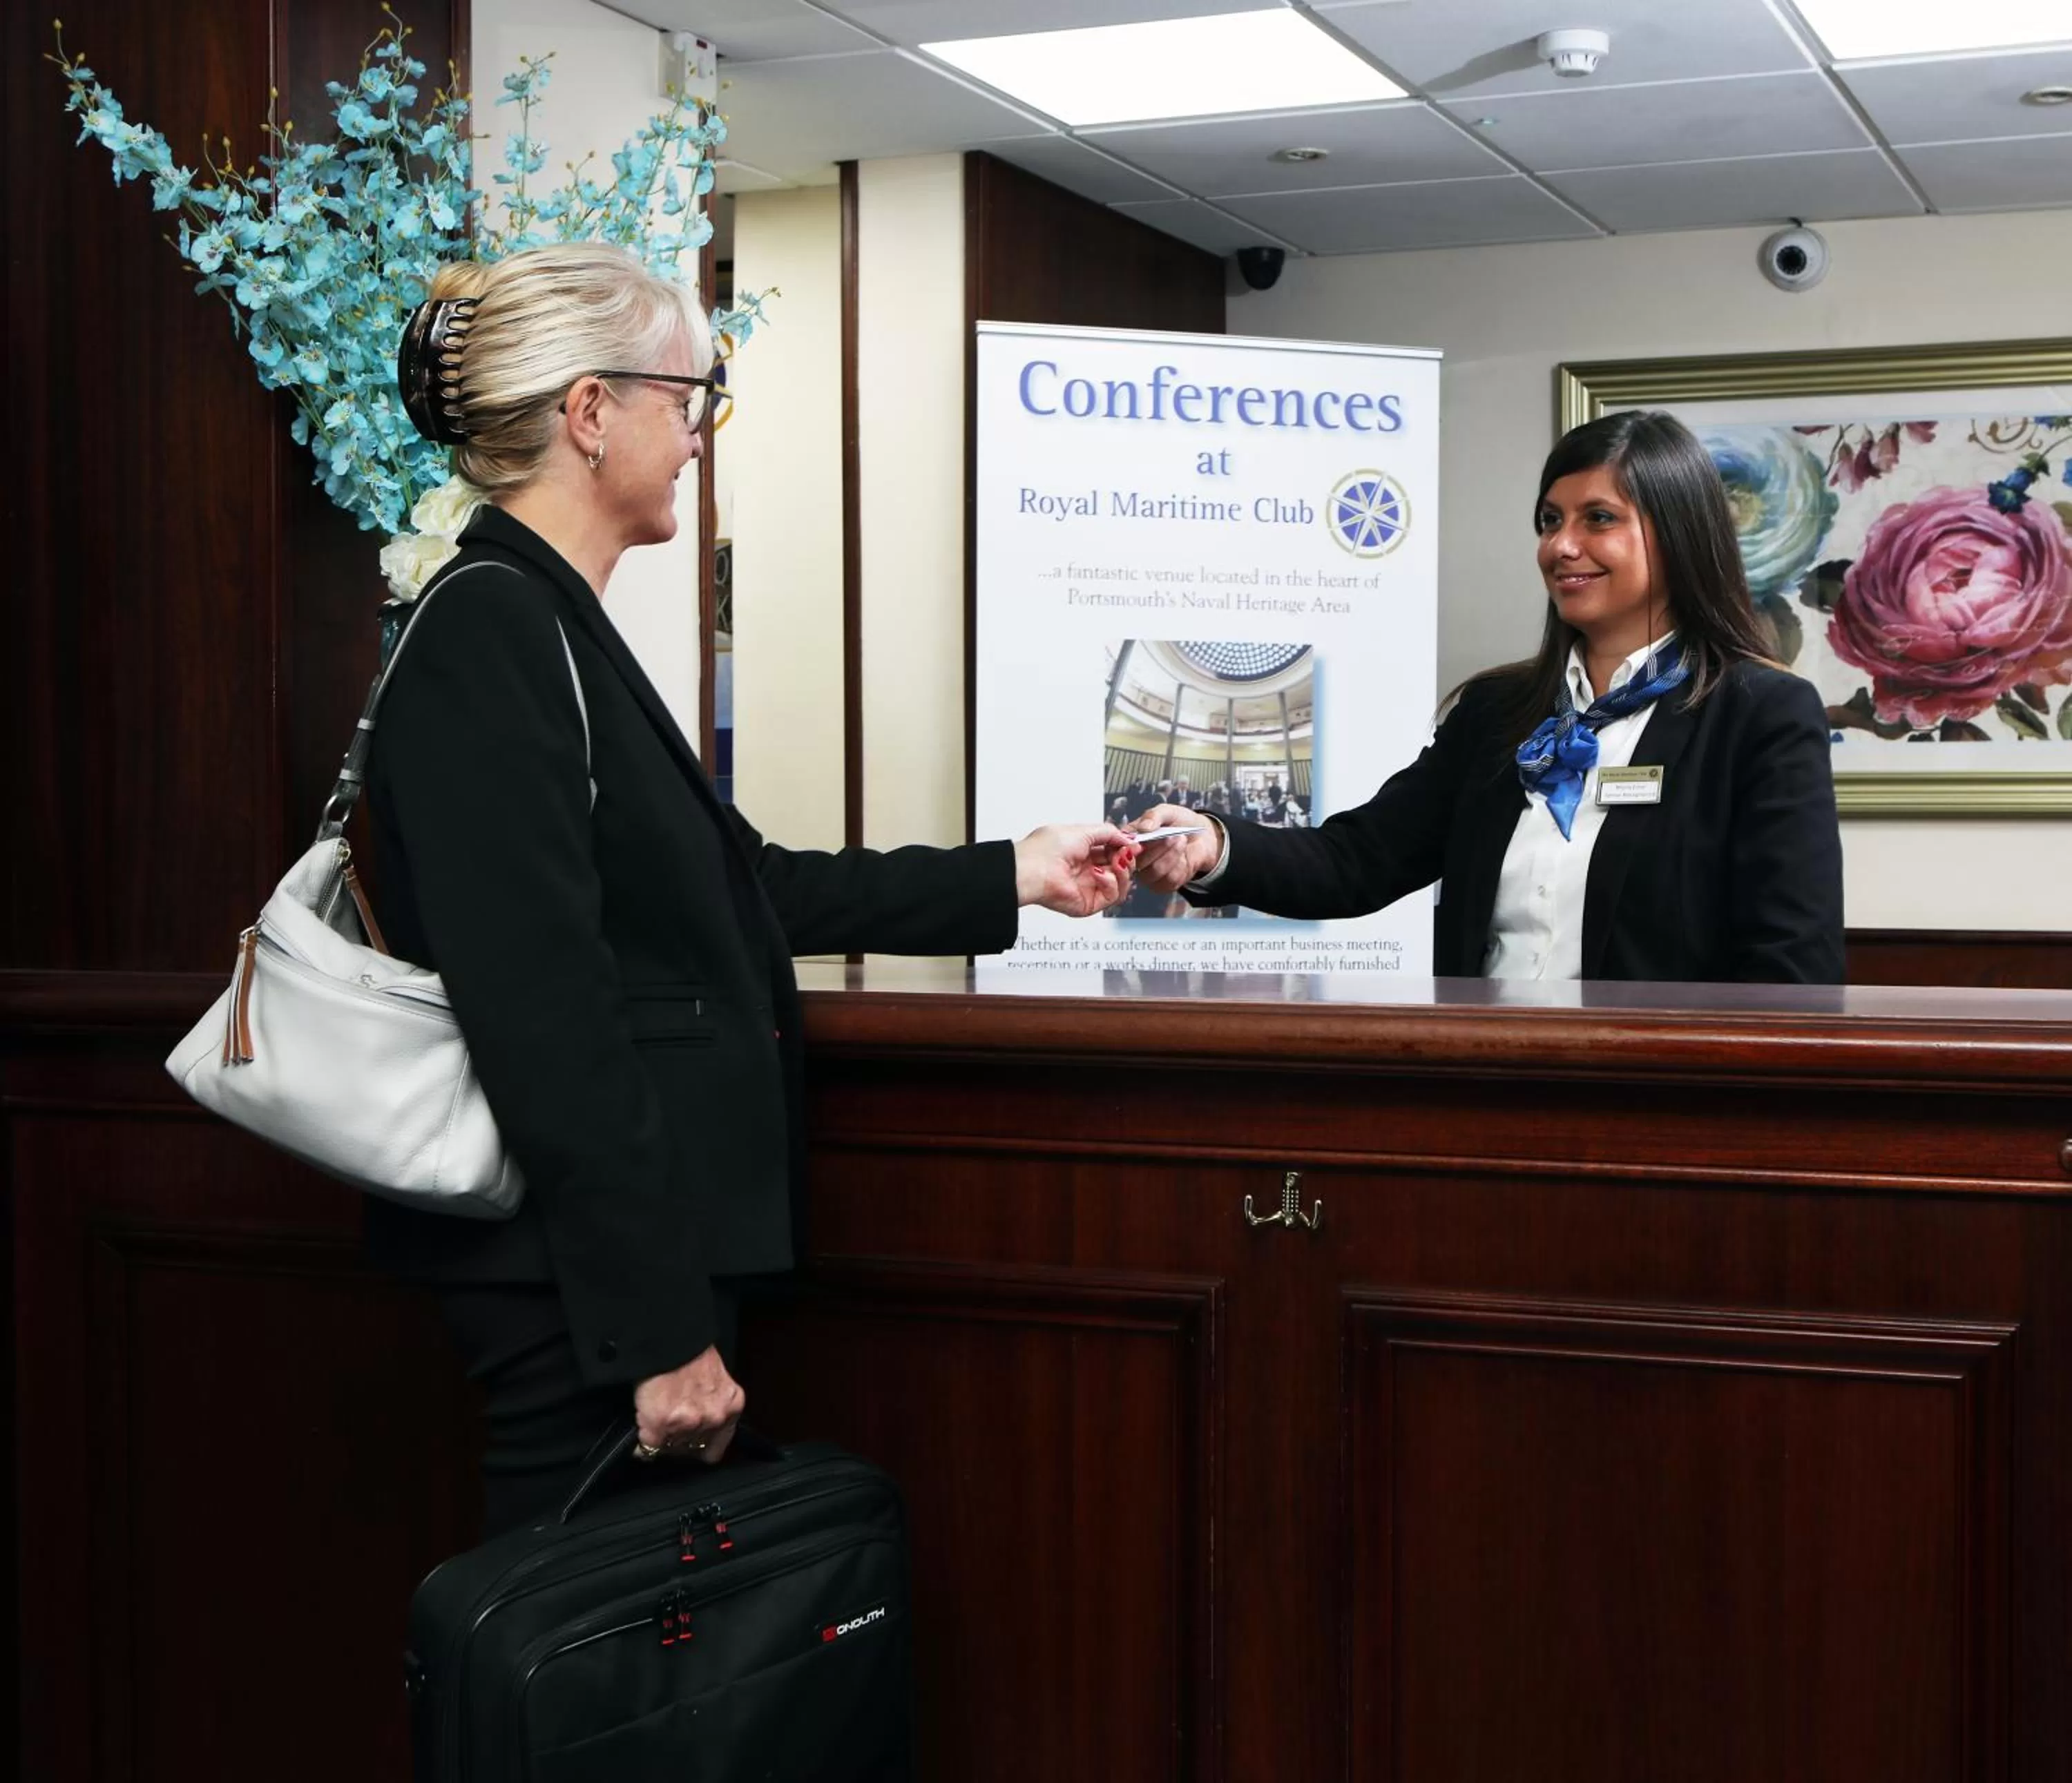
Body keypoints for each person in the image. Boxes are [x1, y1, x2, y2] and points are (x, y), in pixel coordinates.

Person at [371, 244, 1140, 1534]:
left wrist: (1014, 873)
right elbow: (546, 1014)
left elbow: (739, 891)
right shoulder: (494, 627)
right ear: (589, 412)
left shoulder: (545, 617)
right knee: (592, 1692)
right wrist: (660, 1328)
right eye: (688, 402)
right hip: (582, 1297)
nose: (695, 439)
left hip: (608, 1281)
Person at [1133, 409, 1843, 983]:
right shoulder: (1498, 712)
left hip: (1661, 1111)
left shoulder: (1759, 713)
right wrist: (1214, 845)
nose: (1561, 546)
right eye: (1548, 520)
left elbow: (1791, 963)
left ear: (1679, 534)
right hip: (1486, 1088)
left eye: (1597, 518)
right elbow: (1359, 860)